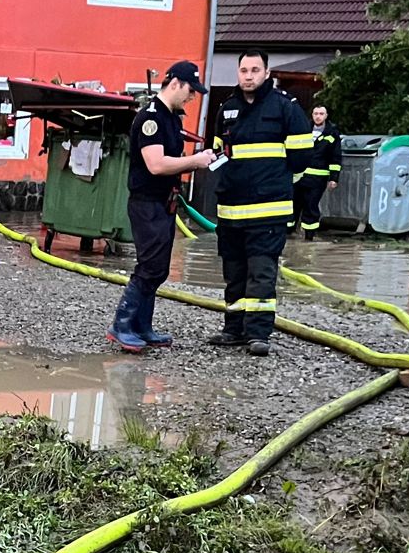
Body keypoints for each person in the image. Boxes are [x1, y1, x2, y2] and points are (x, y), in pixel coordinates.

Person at [211, 51, 313, 355]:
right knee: (234, 272)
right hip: (231, 209)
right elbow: (219, 154)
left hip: (268, 210)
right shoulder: (227, 109)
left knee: (261, 272)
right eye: (243, 70)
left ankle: (258, 334)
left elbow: (301, 158)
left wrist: (274, 185)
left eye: (255, 69)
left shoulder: (285, 108)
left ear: (266, 72)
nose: (248, 75)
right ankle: (234, 329)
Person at [111, 59, 216, 353]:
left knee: (159, 269)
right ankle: (122, 325)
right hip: (147, 203)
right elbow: (156, 164)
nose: (193, 97)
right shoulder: (151, 118)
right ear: (175, 84)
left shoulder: (172, 117)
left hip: (164, 203)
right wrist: (194, 162)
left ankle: (142, 326)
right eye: (190, 90)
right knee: (149, 266)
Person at [296, 103, 342, 239]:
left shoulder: (332, 133)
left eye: (321, 114)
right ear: (312, 115)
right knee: (293, 206)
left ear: (326, 116)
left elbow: (336, 157)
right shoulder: (303, 129)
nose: (318, 116)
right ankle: (288, 237)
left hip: (318, 178)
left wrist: (334, 178)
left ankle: (309, 238)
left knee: (311, 206)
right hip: (299, 177)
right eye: (316, 113)